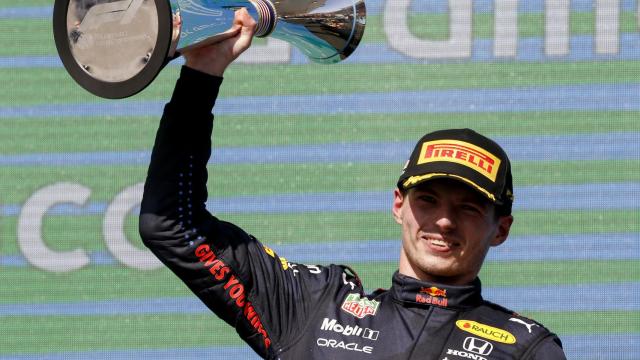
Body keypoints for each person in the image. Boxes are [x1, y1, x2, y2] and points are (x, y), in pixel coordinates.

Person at [139, 8, 566, 360]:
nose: (444, 221)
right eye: (428, 199)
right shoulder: (313, 306)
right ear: (398, 204)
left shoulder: (526, 348)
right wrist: (202, 75)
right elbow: (172, 226)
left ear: (502, 229)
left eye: (469, 208)